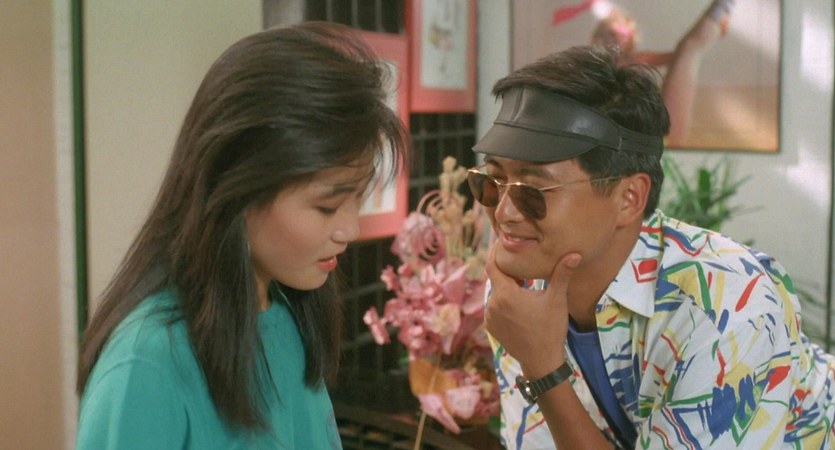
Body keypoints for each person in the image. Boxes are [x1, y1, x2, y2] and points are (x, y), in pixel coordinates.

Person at [469, 45, 835, 449]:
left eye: (533, 191)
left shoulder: (726, 304)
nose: (504, 212)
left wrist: (543, 370)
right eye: (490, 182)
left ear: (629, 198)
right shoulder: (519, 294)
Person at [75, 21, 407, 449]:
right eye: (327, 207)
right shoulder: (147, 364)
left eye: (357, 199)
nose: (350, 230)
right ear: (238, 188)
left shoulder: (288, 313)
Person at [589, 0, 736, 146]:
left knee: (687, 51)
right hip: (616, 126)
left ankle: (720, 10)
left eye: (621, 34)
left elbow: (679, 56)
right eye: (608, 34)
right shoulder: (596, 66)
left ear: (631, 38)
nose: (613, 40)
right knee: (688, 51)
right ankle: (719, 12)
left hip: (645, 124)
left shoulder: (639, 59)